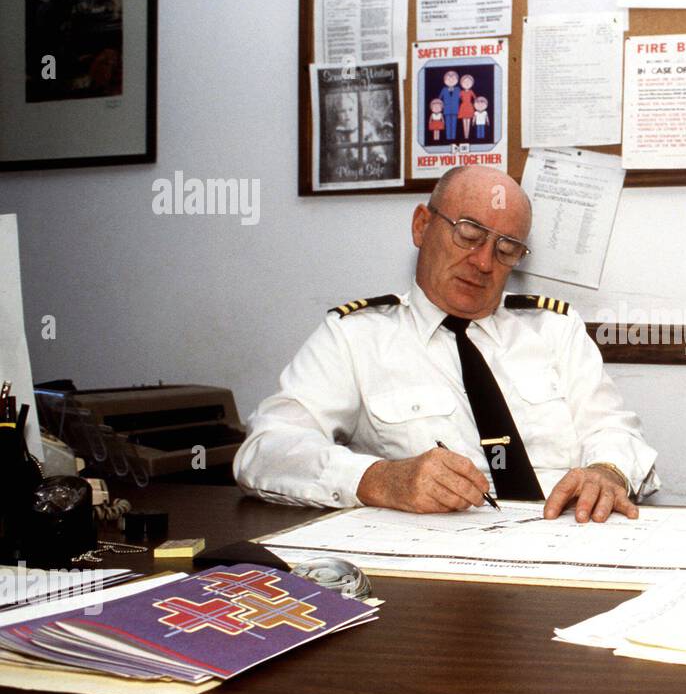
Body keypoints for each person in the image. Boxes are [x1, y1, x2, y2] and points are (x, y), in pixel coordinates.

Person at [234, 165, 659, 524]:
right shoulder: (355, 336)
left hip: (568, 545)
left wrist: (607, 471)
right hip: (435, 574)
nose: (483, 262)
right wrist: (379, 479)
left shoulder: (555, 329)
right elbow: (266, 450)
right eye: (469, 234)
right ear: (422, 225)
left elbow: (614, 429)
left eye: (506, 248)